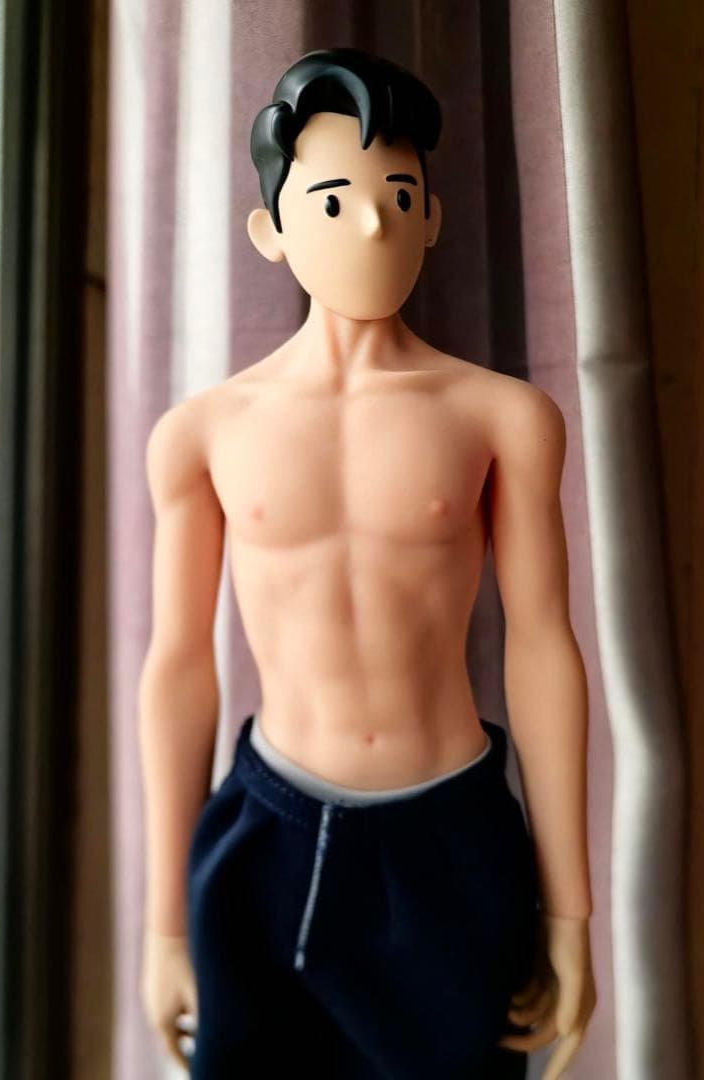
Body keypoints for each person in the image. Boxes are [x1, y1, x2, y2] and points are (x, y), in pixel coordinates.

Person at [138, 47, 595, 1080]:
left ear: (431, 216)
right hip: (265, 832)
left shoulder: (502, 417)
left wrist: (570, 910)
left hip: (449, 834)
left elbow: (542, 644)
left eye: (399, 196)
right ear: (270, 229)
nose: (374, 226)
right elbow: (178, 665)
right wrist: (164, 922)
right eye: (334, 200)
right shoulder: (202, 433)